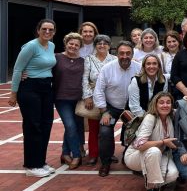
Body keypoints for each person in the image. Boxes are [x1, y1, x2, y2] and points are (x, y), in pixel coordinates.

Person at [9, 19, 57, 177]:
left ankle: (40, 162)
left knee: (46, 125)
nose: (47, 32)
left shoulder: (51, 46)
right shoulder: (30, 46)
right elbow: (17, 70)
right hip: (30, 88)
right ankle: (31, 165)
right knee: (33, 126)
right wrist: (13, 93)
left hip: (46, 88)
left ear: (54, 32)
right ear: (38, 30)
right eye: (44, 29)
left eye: (51, 29)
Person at [124, 92, 185, 191]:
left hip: (157, 155)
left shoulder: (169, 118)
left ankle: (150, 176)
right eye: (161, 103)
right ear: (155, 105)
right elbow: (139, 145)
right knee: (154, 150)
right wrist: (163, 142)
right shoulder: (150, 118)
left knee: (173, 175)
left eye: (168, 102)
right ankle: (152, 188)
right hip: (135, 155)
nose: (165, 105)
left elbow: (185, 107)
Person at [93, 41, 141, 177]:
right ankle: (106, 162)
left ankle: (129, 158)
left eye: (128, 53)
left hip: (130, 107)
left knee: (135, 131)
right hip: (111, 107)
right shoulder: (107, 68)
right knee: (105, 131)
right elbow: (99, 91)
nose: (124, 56)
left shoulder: (139, 67)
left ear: (132, 54)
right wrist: (104, 112)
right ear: (116, 54)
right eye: (121, 53)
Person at [81, 34, 116, 166]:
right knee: (94, 128)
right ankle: (93, 154)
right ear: (95, 45)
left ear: (109, 45)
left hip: (111, 97)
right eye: (99, 43)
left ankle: (109, 153)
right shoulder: (89, 59)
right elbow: (85, 79)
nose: (102, 46)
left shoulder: (114, 59)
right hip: (94, 97)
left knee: (109, 126)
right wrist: (87, 97)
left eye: (105, 43)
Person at [54, 32, 85, 170]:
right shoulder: (57, 58)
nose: (73, 46)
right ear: (66, 43)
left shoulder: (83, 61)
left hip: (78, 99)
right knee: (70, 126)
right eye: (71, 43)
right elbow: (42, 68)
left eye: (76, 45)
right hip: (61, 98)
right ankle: (77, 155)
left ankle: (65, 153)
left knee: (72, 127)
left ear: (80, 47)